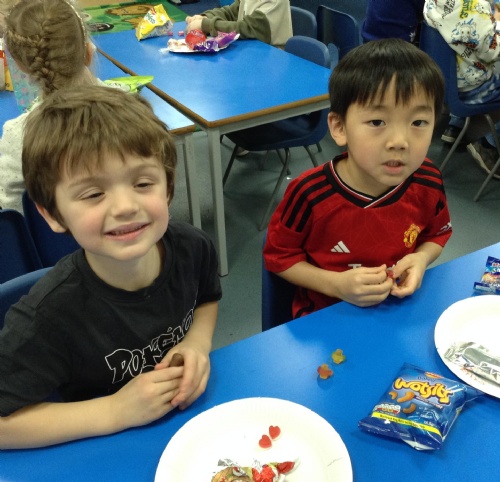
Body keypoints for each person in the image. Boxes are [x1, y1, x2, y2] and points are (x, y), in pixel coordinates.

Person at [0, 85, 222, 449]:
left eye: (143, 183)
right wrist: (115, 410)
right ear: (52, 214)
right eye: (93, 194)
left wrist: (197, 344)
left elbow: (207, 299)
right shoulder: (47, 317)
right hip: (102, 451)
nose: (124, 206)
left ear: (168, 188)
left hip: (190, 434)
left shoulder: (193, 248)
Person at [263, 38, 452, 319]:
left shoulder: (428, 179)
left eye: (418, 122)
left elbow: (436, 234)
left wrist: (421, 258)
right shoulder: (309, 194)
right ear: (339, 127)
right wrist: (336, 285)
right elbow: (279, 257)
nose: (400, 142)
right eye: (377, 122)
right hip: (326, 317)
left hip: (399, 311)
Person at [0, 0, 99, 214]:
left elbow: (12, 210)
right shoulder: (129, 109)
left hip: (53, 234)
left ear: (21, 66)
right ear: (88, 53)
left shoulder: (19, 135)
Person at [424, 0, 500, 178]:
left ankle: (456, 125)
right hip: (472, 89)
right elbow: (493, 51)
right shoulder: (474, 7)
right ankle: (489, 144)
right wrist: (497, 21)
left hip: (445, 83)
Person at [185, 0, 292, 49]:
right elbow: (231, 12)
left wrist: (206, 25)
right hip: (251, 51)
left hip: (271, 59)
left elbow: (247, 28)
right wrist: (206, 17)